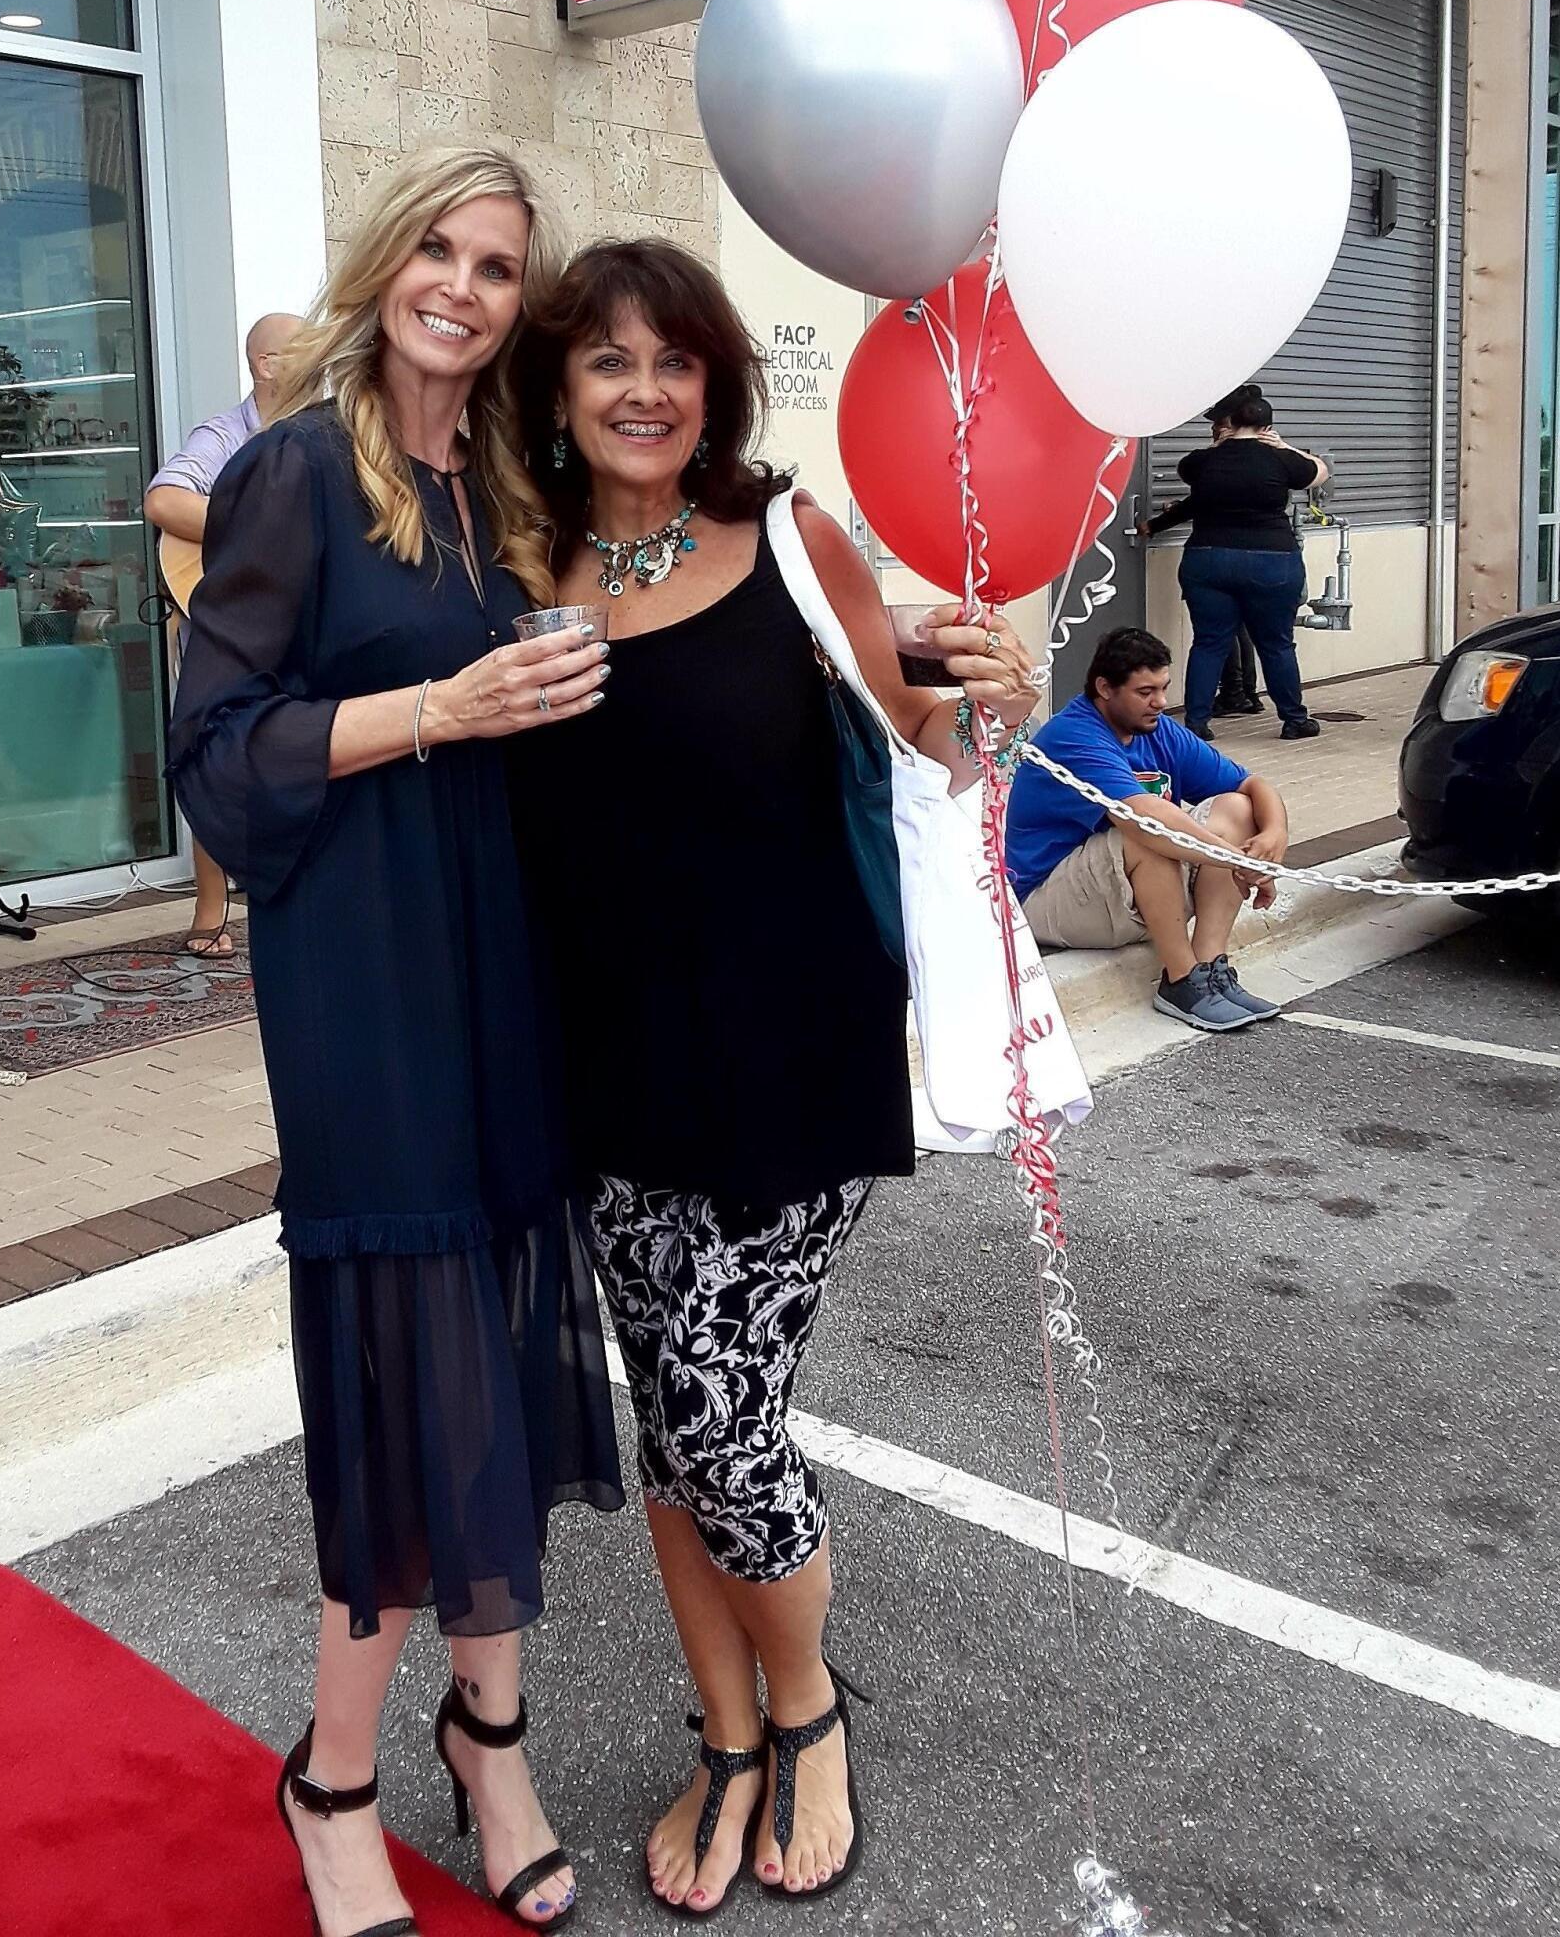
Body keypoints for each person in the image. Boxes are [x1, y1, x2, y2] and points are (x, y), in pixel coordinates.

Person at [507, 240, 1035, 1915]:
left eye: (672, 358)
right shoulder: (524, 574)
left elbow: (920, 739)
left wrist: (995, 700)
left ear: (718, 382)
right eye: (607, 361)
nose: (643, 387)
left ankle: (808, 1714)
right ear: (562, 391)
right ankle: (724, 1736)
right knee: (674, 1424)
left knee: (729, 1422)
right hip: (607, 1066)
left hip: (792, 1051)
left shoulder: (791, 544)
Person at [167, 149, 623, 1937]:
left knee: (503, 1349)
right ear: (387, 262)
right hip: (363, 984)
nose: (464, 285)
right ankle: (332, 1777)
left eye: (499, 264)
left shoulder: (502, 479)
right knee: (400, 1371)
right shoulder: (295, 469)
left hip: (503, 970)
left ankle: (486, 1733)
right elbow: (219, 750)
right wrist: (438, 707)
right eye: (439, 247)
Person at [1006, 627, 1291, 1033]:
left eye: (1163, 688)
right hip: (1043, 899)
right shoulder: (1074, 735)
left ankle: (1208, 970)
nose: (1159, 702)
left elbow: (1250, 785)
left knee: (1238, 809)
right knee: (1144, 833)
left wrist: (1273, 837)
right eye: (1145, 692)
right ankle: (1180, 980)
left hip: (1114, 892)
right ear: (1105, 688)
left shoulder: (1158, 729)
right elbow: (1144, 817)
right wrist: (1240, 862)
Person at [145, 312, 302, 955]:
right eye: (305, 350)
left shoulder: (331, 432)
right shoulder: (225, 435)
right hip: (227, 622)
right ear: (265, 365)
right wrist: (256, 525)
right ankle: (211, 910)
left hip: (303, 618)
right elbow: (166, 501)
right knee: (212, 748)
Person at [1143, 384, 1327, 741]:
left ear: (1227, 423)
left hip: (1208, 559)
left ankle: (1196, 724)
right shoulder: (1282, 460)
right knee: (1276, 644)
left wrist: (1221, 445)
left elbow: (1189, 471)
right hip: (1272, 560)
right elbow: (1319, 472)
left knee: (1209, 642)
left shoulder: (1202, 461)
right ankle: (1293, 719)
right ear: (1266, 428)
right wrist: (1284, 445)